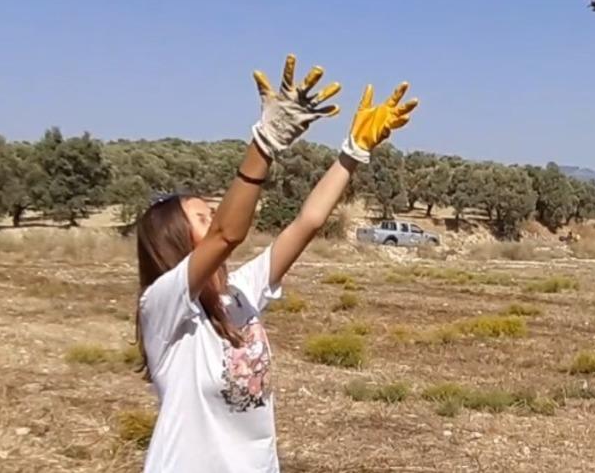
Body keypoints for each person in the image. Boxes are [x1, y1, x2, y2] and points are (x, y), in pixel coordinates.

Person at [132, 54, 418, 473]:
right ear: (173, 241)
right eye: (202, 217)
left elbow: (308, 221)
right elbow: (228, 234)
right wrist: (264, 142)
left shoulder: (239, 294)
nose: (214, 219)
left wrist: (353, 152)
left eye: (212, 212)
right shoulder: (163, 308)